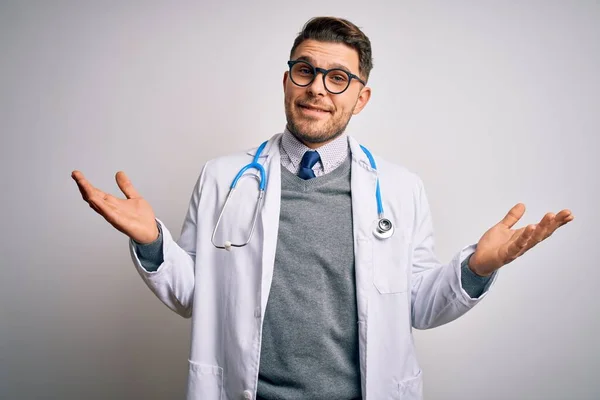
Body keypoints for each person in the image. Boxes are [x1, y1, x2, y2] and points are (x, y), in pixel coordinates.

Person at [72, 16, 573, 400]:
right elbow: (195, 295)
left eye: (338, 78)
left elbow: (416, 306)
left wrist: (476, 269)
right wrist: (153, 243)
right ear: (287, 79)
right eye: (305, 71)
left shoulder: (400, 188)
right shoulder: (223, 177)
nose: (317, 88)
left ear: (362, 97)